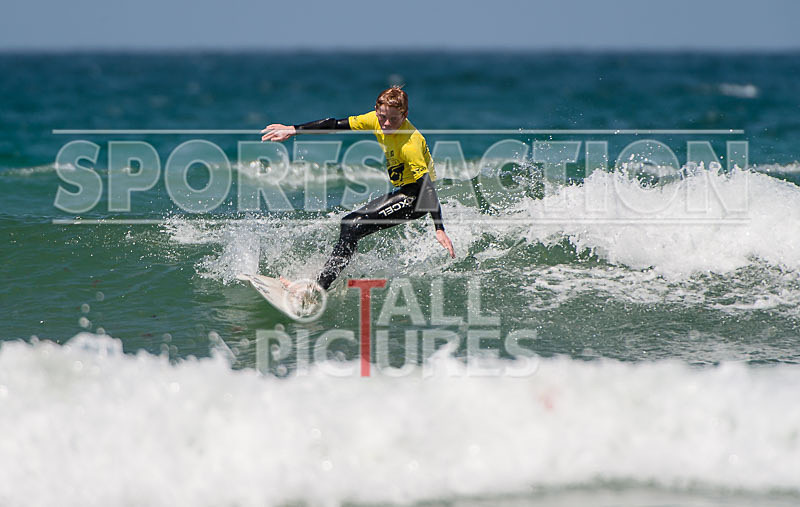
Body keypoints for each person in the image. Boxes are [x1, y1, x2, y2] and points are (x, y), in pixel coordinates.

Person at [261, 86, 455, 291]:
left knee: (351, 226)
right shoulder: (375, 120)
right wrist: (293, 129)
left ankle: (317, 288)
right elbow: (334, 124)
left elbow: (427, 187)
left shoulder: (410, 144)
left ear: (404, 115)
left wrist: (439, 228)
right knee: (350, 226)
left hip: (417, 198)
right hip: (405, 191)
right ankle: (320, 283)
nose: (386, 124)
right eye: (382, 117)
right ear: (376, 111)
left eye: (393, 119)